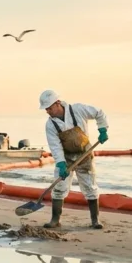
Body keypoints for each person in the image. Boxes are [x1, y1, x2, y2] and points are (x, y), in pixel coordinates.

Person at [39, 90, 109, 229]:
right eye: (46, 109)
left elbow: (99, 113)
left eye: (49, 108)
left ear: (57, 103)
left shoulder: (78, 109)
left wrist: (102, 129)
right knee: (59, 187)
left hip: (85, 154)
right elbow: (55, 146)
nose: (47, 111)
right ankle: (55, 220)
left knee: (90, 186)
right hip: (66, 158)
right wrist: (61, 163)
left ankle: (95, 220)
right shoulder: (50, 125)